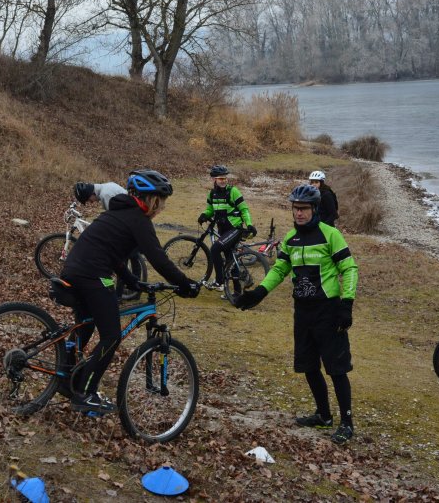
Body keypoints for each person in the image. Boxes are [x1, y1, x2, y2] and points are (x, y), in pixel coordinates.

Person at [61, 169, 201, 414]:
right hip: (92, 276)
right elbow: (158, 258)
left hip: (75, 269)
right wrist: (184, 282)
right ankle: (85, 393)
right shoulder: (138, 219)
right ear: (150, 199)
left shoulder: (117, 212)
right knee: (111, 335)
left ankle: (66, 378)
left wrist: (132, 280)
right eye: (161, 201)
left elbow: (114, 257)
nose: (162, 208)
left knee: (87, 324)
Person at [234, 184, 359, 445]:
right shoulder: (291, 238)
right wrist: (259, 293)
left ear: (314, 209)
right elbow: (280, 269)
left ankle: (346, 422)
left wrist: (346, 304)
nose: (299, 213)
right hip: (303, 311)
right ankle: (324, 415)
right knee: (309, 366)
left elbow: (349, 268)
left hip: (328, 310)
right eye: (295, 209)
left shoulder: (330, 234)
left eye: (303, 209)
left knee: (336, 369)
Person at [74, 180, 141, 299]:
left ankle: (119, 296)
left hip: (129, 226)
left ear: (91, 194)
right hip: (132, 222)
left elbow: (114, 219)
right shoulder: (106, 187)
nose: (91, 202)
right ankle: (135, 291)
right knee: (134, 259)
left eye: (89, 200)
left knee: (121, 262)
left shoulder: (106, 194)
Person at [197, 165, 256, 293]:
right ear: (214, 179)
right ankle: (236, 292)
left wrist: (249, 224)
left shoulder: (233, 191)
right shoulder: (212, 194)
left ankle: (219, 280)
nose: (223, 180)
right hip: (223, 229)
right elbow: (210, 209)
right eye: (220, 178)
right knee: (230, 259)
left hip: (235, 228)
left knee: (215, 249)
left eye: (225, 178)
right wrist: (204, 215)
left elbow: (244, 209)